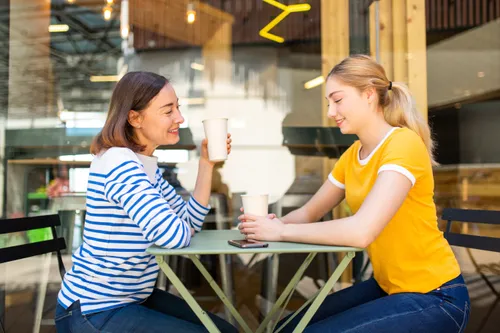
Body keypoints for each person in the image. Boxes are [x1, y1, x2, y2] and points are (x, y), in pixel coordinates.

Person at [239, 55, 470, 333]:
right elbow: (309, 213)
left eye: (337, 100)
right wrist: (265, 226)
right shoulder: (352, 155)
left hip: (437, 296)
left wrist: (279, 233)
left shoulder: (403, 144)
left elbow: (362, 231)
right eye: (328, 103)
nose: (330, 112)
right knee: (289, 327)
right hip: (389, 288)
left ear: (369, 95)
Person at [55, 71, 237, 333]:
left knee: (225, 331)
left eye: (178, 108)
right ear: (135, 117)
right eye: (168, 111)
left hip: (131, 298)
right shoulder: (119, 161)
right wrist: (176, 228)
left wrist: (207, 164)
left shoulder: (145, 166)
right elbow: (174, 235)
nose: (180, 118)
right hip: (94, 309)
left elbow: (188, 222)